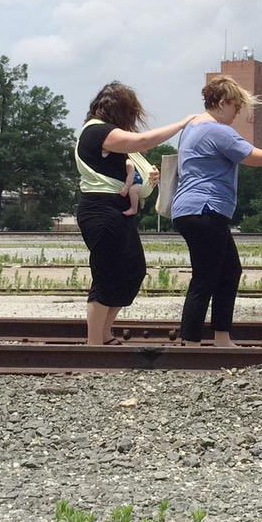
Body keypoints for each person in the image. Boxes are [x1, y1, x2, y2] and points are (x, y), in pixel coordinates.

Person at [171, 76, 262, 347]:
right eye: (236, 106)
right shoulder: (217, 131)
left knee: (229, 271)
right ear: (221, 102)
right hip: (205, 208)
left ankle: (220, 337)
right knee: (205, 276)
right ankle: (190, 342)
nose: (237, 112)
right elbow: (256, 158)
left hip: (193, 209)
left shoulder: (193, 127)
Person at [76, 82, 197, 346]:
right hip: (101, 209)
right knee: (107, 273)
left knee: (132, 269)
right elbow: (142, 140)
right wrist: (180, 125)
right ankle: (94, 343)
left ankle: (105, 334)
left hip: (116, 210)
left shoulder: (103, 134)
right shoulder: (98, 131)